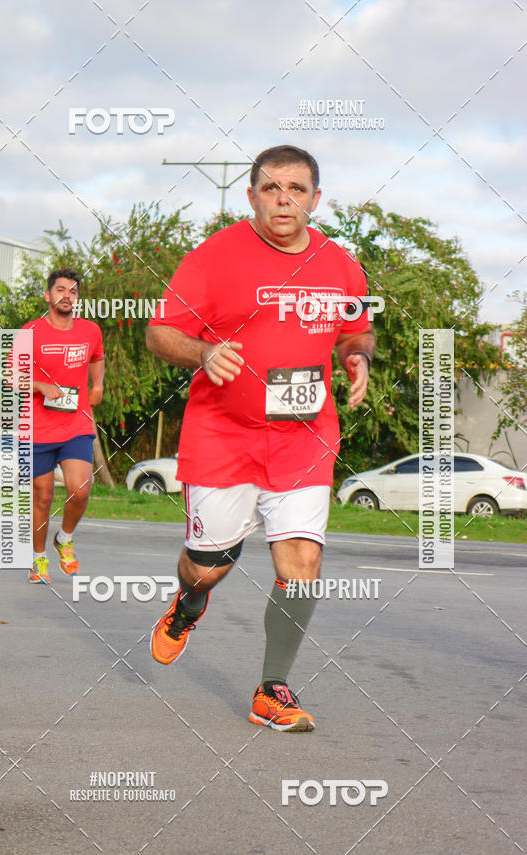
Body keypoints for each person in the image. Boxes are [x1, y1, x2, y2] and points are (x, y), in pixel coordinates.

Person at [146, 145, 375, 732]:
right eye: (272, 189)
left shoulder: (340, 264)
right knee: (208, 565)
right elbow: (160, 332)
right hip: (224, 435)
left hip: (304, 437)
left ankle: (272, 689)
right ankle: (189, 604)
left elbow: (356, 330)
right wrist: (203, 350)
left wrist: (356, 358)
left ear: (315, 199)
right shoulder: (214, 257)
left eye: (297, 190)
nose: (284, 200)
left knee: (302, 559)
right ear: (251, 196)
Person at [18, 268, 104, 584]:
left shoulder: (91, 331)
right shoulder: (30, 333)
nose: (67, 295)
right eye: (60, 289)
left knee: (80, 489)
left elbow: (97, 357)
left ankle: (64, 539)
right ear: (48, 295)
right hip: (37, 428)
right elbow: (13, 378)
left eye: (73, 291)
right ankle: (39, 559)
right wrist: (40, 387)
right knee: (42, 497)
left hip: (76, 424)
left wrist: (98, 385)